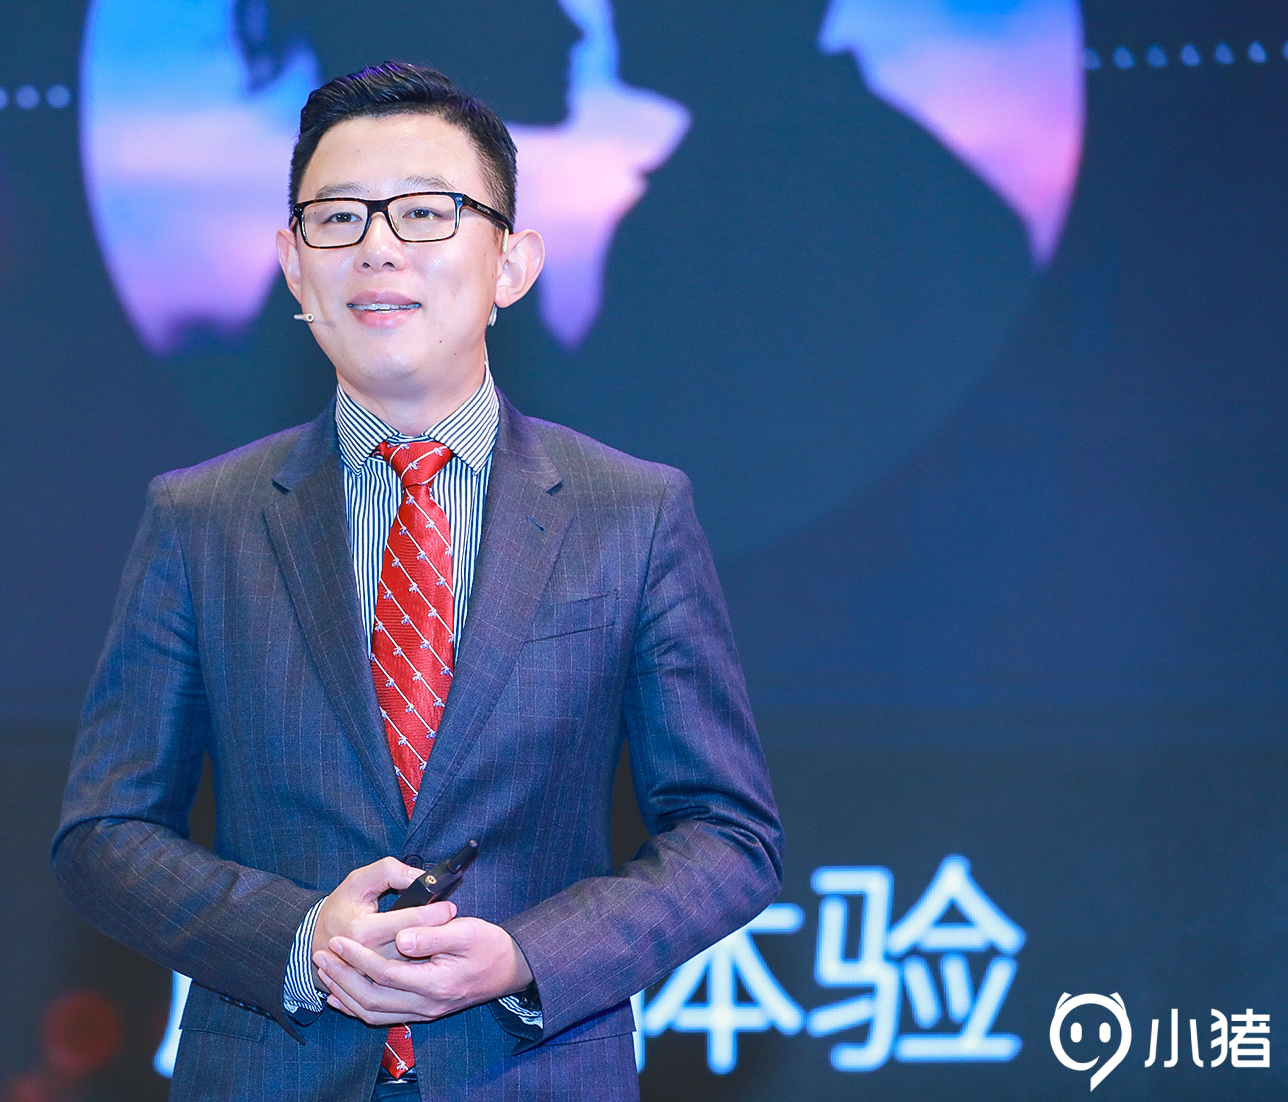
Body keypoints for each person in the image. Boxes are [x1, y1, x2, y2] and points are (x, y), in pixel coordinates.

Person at [52, 62, 782, 1102]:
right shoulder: (201, 518)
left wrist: (526, 955)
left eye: (427, 212)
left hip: (533, 1073)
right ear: (293, 265)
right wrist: (299, 937)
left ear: (512, 263)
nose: (378, 247)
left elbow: (728, 834)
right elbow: (104, 833)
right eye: (337, 218)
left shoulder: (631, 511)